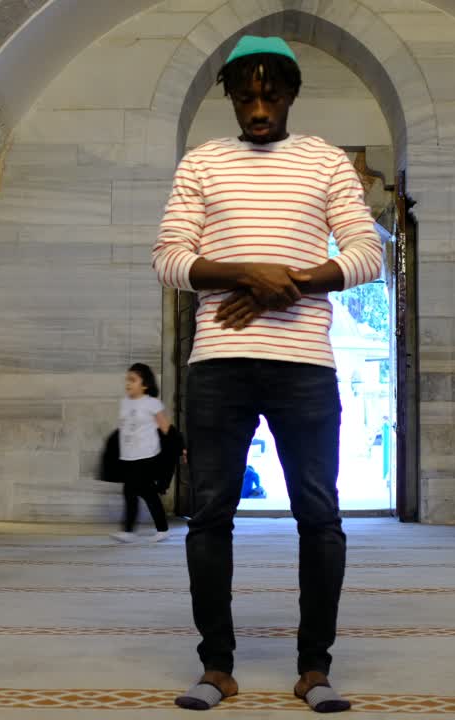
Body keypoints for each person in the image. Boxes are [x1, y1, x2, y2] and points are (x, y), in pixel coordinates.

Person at [152, 35, 382, 713]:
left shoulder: (324, 160)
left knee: (320, 516)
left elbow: (368, 253)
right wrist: (242, 273)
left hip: (304, 367)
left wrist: (293, 283)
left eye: (271, 94)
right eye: (246, 95)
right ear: (230, 96)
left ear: (291, 94)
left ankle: (315, 669)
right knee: (209, 517)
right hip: (219, 367)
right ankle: (216, 667)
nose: (259, 107)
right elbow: (169, 258)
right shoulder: (203, 161)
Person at [112, 363, 172, 543]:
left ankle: (162, 529)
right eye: (127, 380)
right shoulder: (124, 402)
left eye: (132, 380)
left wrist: (173, 450)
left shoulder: (152, 403)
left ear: (144, 384)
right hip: (128, 456)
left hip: (146, 456)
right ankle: (129, 531)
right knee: (129, 493)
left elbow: (166, 428)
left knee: (147, 493)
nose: (128, 384)